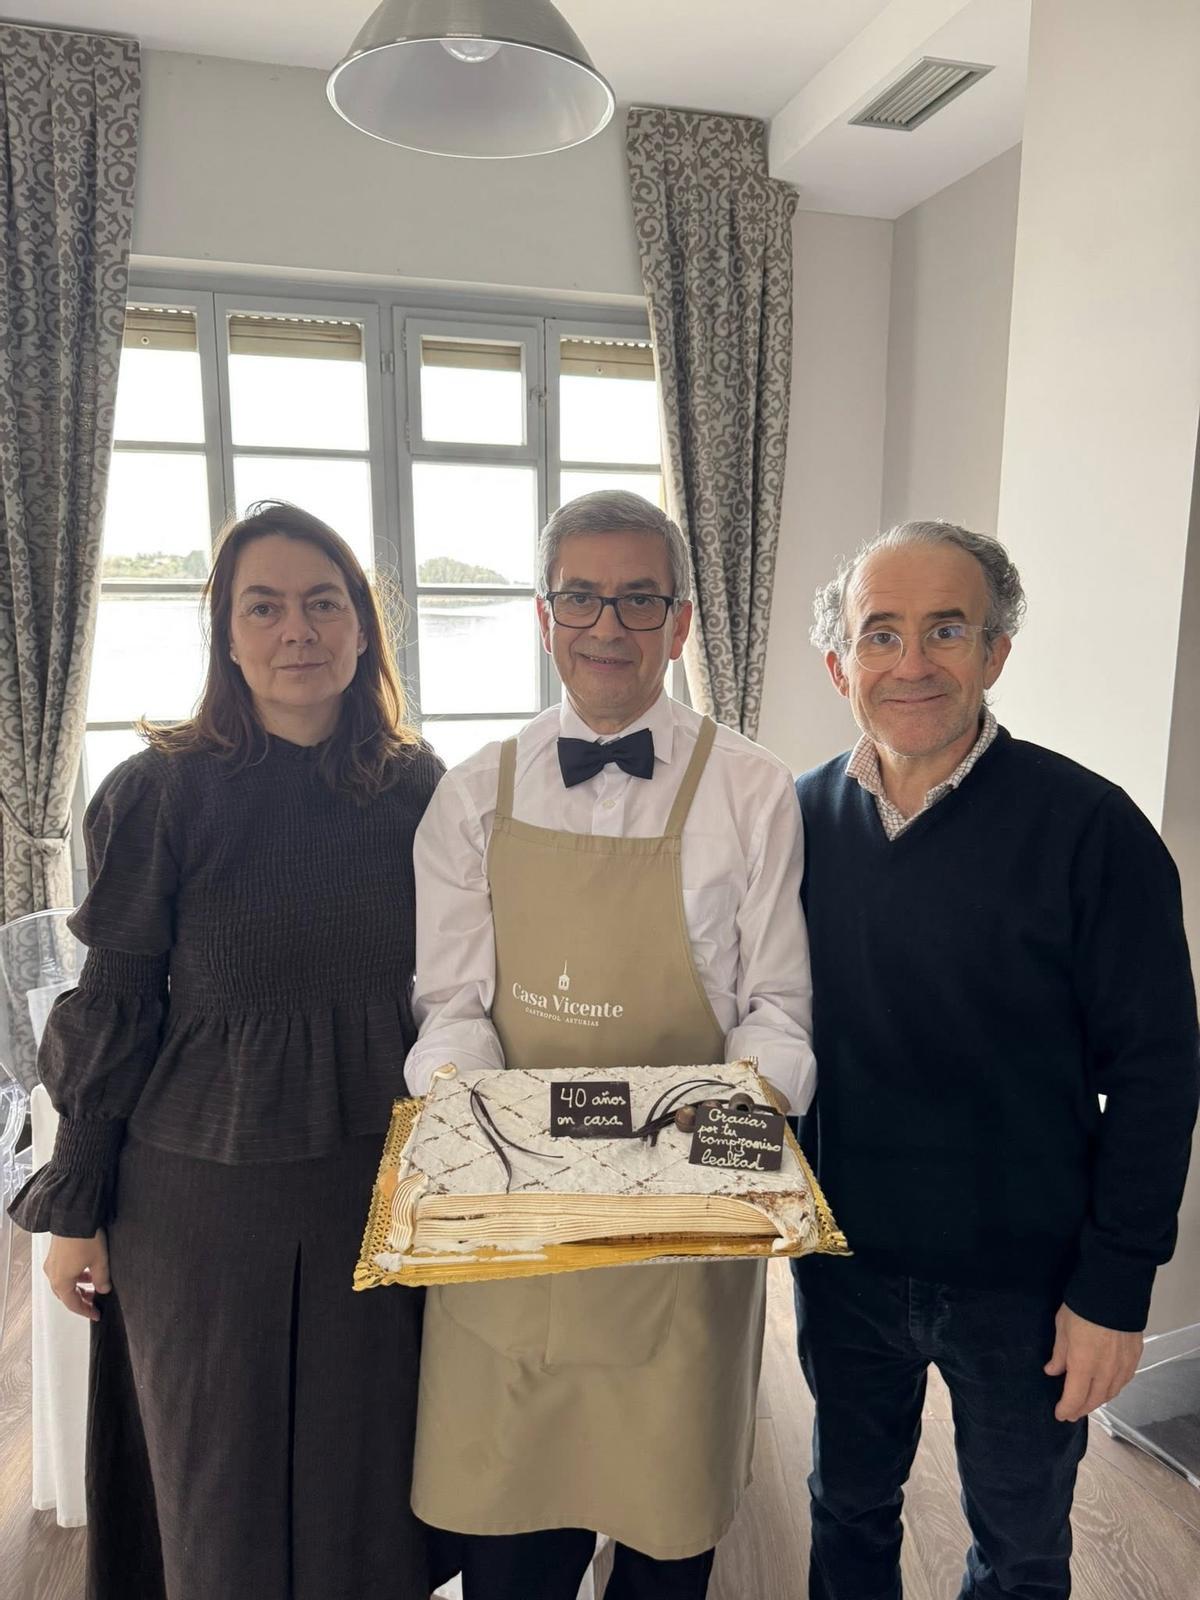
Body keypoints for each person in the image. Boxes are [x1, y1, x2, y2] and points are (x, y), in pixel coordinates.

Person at [9, 503, 445, 1600]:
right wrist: (77, 1212)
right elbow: (111, 1005)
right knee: (217, 1480)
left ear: (360, 631)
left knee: (366, 1474)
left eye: (322, 602)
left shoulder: (419, 788)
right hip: (195, 1195)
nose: (296, 629)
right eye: (265, 605)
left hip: (376, 1177)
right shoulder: (157, 792)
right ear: (227, 632)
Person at [405, 489, 816, 1600]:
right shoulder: (469, 795)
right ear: (544, 615)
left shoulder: (754, 788)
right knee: (510, 1555)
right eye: (581, 596)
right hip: (516, 1226)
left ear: (682, 622)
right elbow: (450, 1007)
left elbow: (776, 1008)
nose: (607, 627)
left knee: (667, 1548)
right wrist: (510, 1143)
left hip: (677, 1234)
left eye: (639, 599)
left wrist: (722, 1124)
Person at [793, 518, 1199, 1600]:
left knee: (1019, 1547)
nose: (911, 662)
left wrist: (1116, 1288)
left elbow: (1159, 1072)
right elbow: (765, 1028)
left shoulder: (1092, 831)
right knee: (847, 1506)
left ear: (996, 652)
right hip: (844, 1265)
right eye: (880, 634)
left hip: (1030, 1285)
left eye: (946, 629)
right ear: (840, 662)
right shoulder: (790, 824)